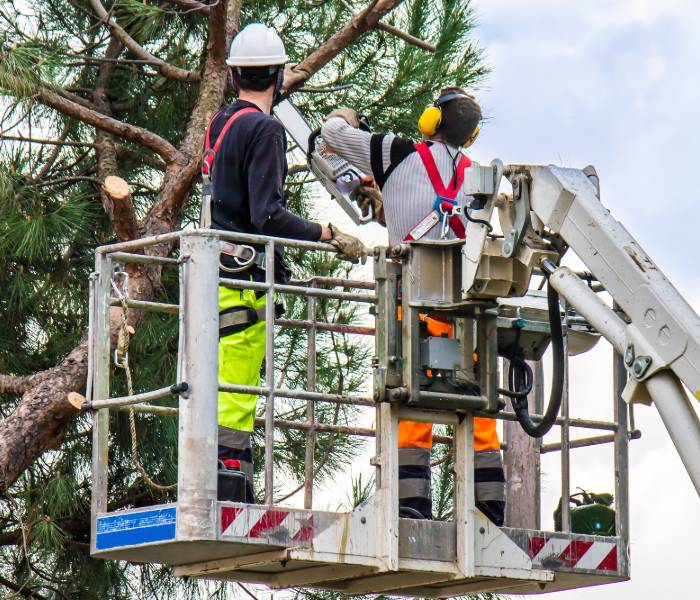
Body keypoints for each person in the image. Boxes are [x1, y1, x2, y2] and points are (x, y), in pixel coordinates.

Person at [320, 88, 505, 525]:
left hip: (412, 306)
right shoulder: (478, 176)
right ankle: (488, 509)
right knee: (479, 409)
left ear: (429, 121)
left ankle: (409, 505)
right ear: (472, 134)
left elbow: (330, 133)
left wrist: (349, 114)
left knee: (409, 403)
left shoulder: (394, 153)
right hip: (466, 314)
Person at [203, 23, 367, 502]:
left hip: (216, 272)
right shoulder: (266, 129)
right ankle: (231, 492)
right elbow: (267, 214)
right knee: (236, 388)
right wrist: (327, 234)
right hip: (244, 279)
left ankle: (222, 482)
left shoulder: (222, 123)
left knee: (218, 382)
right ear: (276, 75)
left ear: (235, 78)